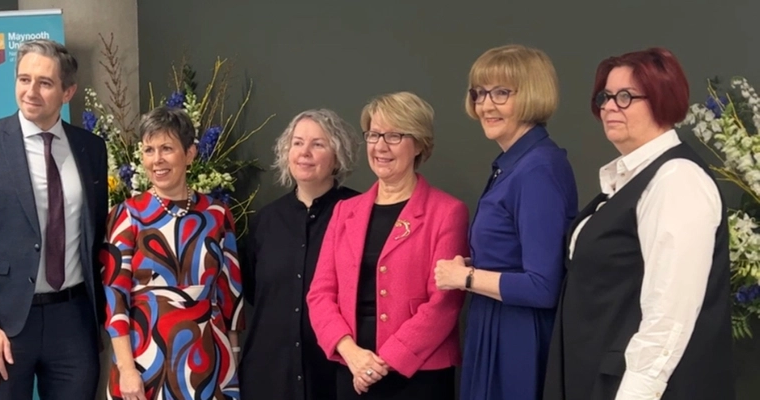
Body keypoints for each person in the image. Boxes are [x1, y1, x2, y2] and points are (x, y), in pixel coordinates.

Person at [542, 47, 735, 400]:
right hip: (597, 376)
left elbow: (670, 315)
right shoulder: (630, 181)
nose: (609, 106)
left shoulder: (677, 180)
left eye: (626, 96)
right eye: (605, 96)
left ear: (662, 99)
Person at [0, 39, 108, 399]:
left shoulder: (91, 148)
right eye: (24, 79)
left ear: (68, 91)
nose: (31, 91)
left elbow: (95, 235)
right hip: (4, 327)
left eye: (45, 83)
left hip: (73, 322)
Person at [433, 44, 578, 400]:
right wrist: (476, 267)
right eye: (479, 93)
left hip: (518, 337)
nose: (485, 105)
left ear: (532, 94)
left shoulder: (537, 169)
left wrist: (464, 278)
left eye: (501, 93)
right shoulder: (512, 163)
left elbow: (543, 287)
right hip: (495, 324)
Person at [307, 92, 469, 400]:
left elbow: (445, 303)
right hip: (352, 368)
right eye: (374, 135)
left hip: (419, 374)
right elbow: (320, 294)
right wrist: (351, 354)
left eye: (394, 136)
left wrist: (384, 362)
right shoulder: (344, 211)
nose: (381, 146)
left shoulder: (447, 211)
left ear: (419, 143)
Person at [101, 106, 244, 400]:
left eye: (167, 148)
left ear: (190, 154)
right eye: (149, 150)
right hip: (144, 360)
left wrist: (234, 356)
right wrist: (126, 368)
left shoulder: (217, 213)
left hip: (210, 356)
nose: (157, 160)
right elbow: (115, 297)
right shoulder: (127, 214)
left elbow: (230, 291)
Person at [240, 109, 360, 400]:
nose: (304, 152)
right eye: (297, 143)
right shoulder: (265, 221)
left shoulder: (358, 213)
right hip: (269, 376)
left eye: (318, 144)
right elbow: (254, 291)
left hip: (335, 375)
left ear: (337, 155)